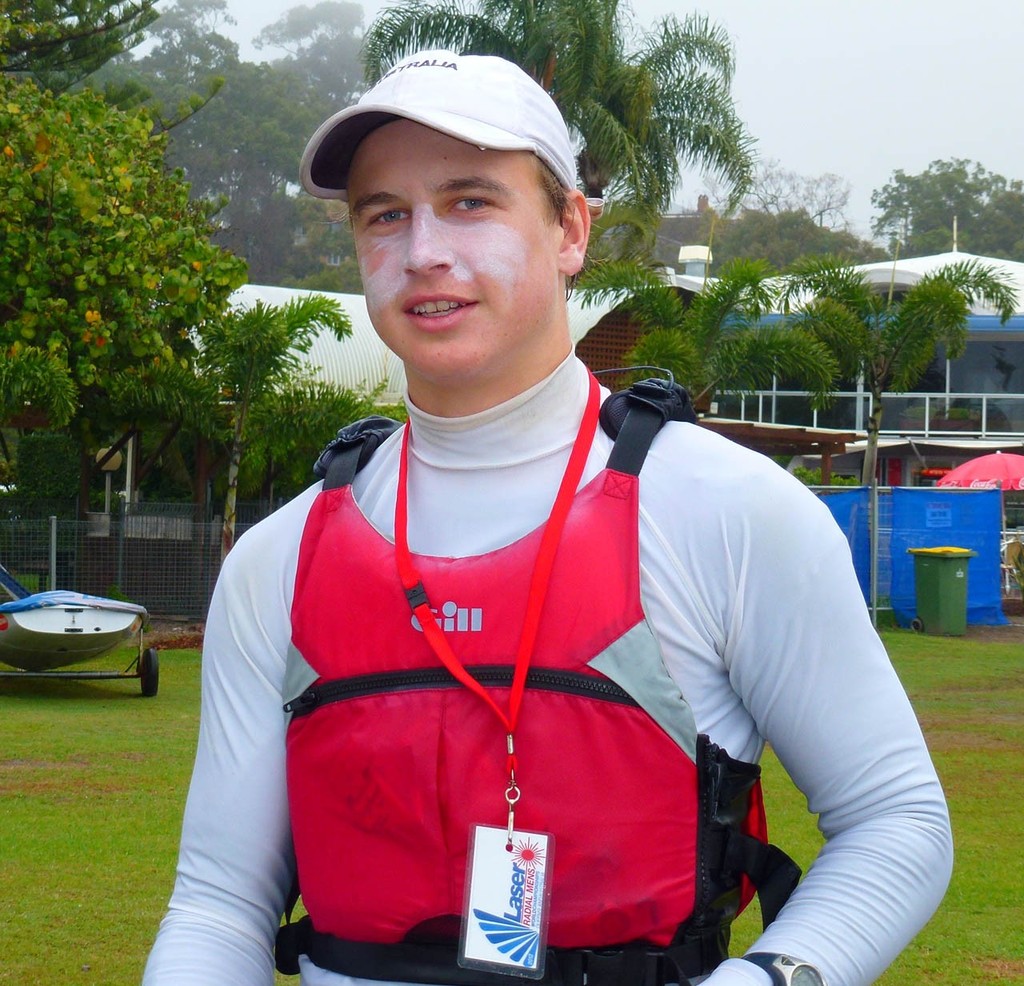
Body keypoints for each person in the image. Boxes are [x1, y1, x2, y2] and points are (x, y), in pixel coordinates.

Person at [143, 49, 952, 986]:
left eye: (471, 201)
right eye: (385, 215)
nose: (423, 253)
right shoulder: (278, 559)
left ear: (571, 228)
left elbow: (897, 820)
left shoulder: (728, 514)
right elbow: (219, 901)